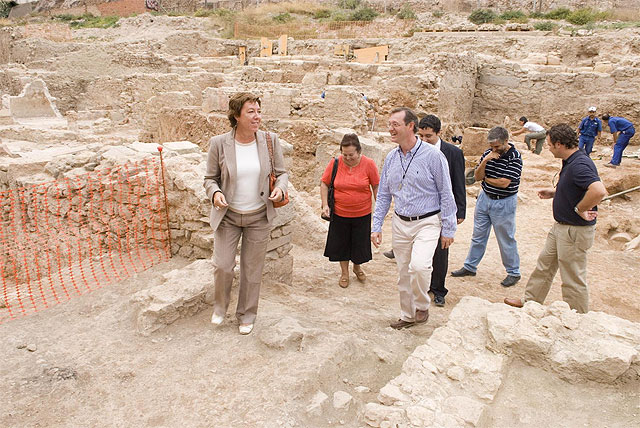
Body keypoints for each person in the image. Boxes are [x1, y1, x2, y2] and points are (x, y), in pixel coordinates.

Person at [203, 92, 288, 335]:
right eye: (251, 111)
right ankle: (220, 308)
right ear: (236, 116)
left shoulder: (270, 141)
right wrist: (215, 193)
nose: (257, 116)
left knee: (252, 270)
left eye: (258, 111)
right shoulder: (219, 143)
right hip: (228, 216)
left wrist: (281, 189)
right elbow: (210, 178)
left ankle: (247, 314)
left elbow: (282, 173)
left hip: (259, 217)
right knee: (223, 266)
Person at [505, 124, 607, 313]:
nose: (548, 148)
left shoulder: (579, 164)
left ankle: (577, 316)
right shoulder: (571, 161)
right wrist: (555, 193)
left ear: (560, 144)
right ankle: (531, 301)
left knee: (572, 276)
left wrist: (580, 208)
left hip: (574, 229)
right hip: (561, 226)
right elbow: (576, 187)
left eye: (550, 145)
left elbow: (599, 191)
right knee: (544, 265)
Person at [371, 107, 457, 329]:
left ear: (410, 126)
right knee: (403, 273)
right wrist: (376, 225)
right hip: (400, 222)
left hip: (428, 221)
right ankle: (407, 315)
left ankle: (422, 305)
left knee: (418, 267)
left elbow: (446, 193)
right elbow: (383, 195)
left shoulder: (433, 156)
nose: (390, 128)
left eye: (395, 124)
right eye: (389, 123)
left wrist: (448, 229)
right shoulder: (391, 157)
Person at [451, 126, 522, 287]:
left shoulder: (515, 157)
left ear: (506, 141)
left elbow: (504, 183)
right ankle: (470, 266)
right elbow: (476, 176)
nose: (494, 149)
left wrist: (486, 179)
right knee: (478, 235)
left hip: (503, 202)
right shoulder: (488, 154)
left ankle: (513, 272)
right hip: (485, 199)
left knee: (506, 238)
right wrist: (485, 161)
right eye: (492, 146)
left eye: (497, 146)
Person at [321, 133, 380, 288]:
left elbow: (375, 185)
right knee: (342, 245)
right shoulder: (335, 163)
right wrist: (324, 204)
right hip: (340, 213)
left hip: (362, 213)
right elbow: (324, 183)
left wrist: (379, 206)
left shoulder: (369, 164)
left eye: (351, 155)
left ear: (359, 151)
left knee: (359, 245)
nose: (347, 158)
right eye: (344, 154)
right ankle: (344, 272)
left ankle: (357, 267)